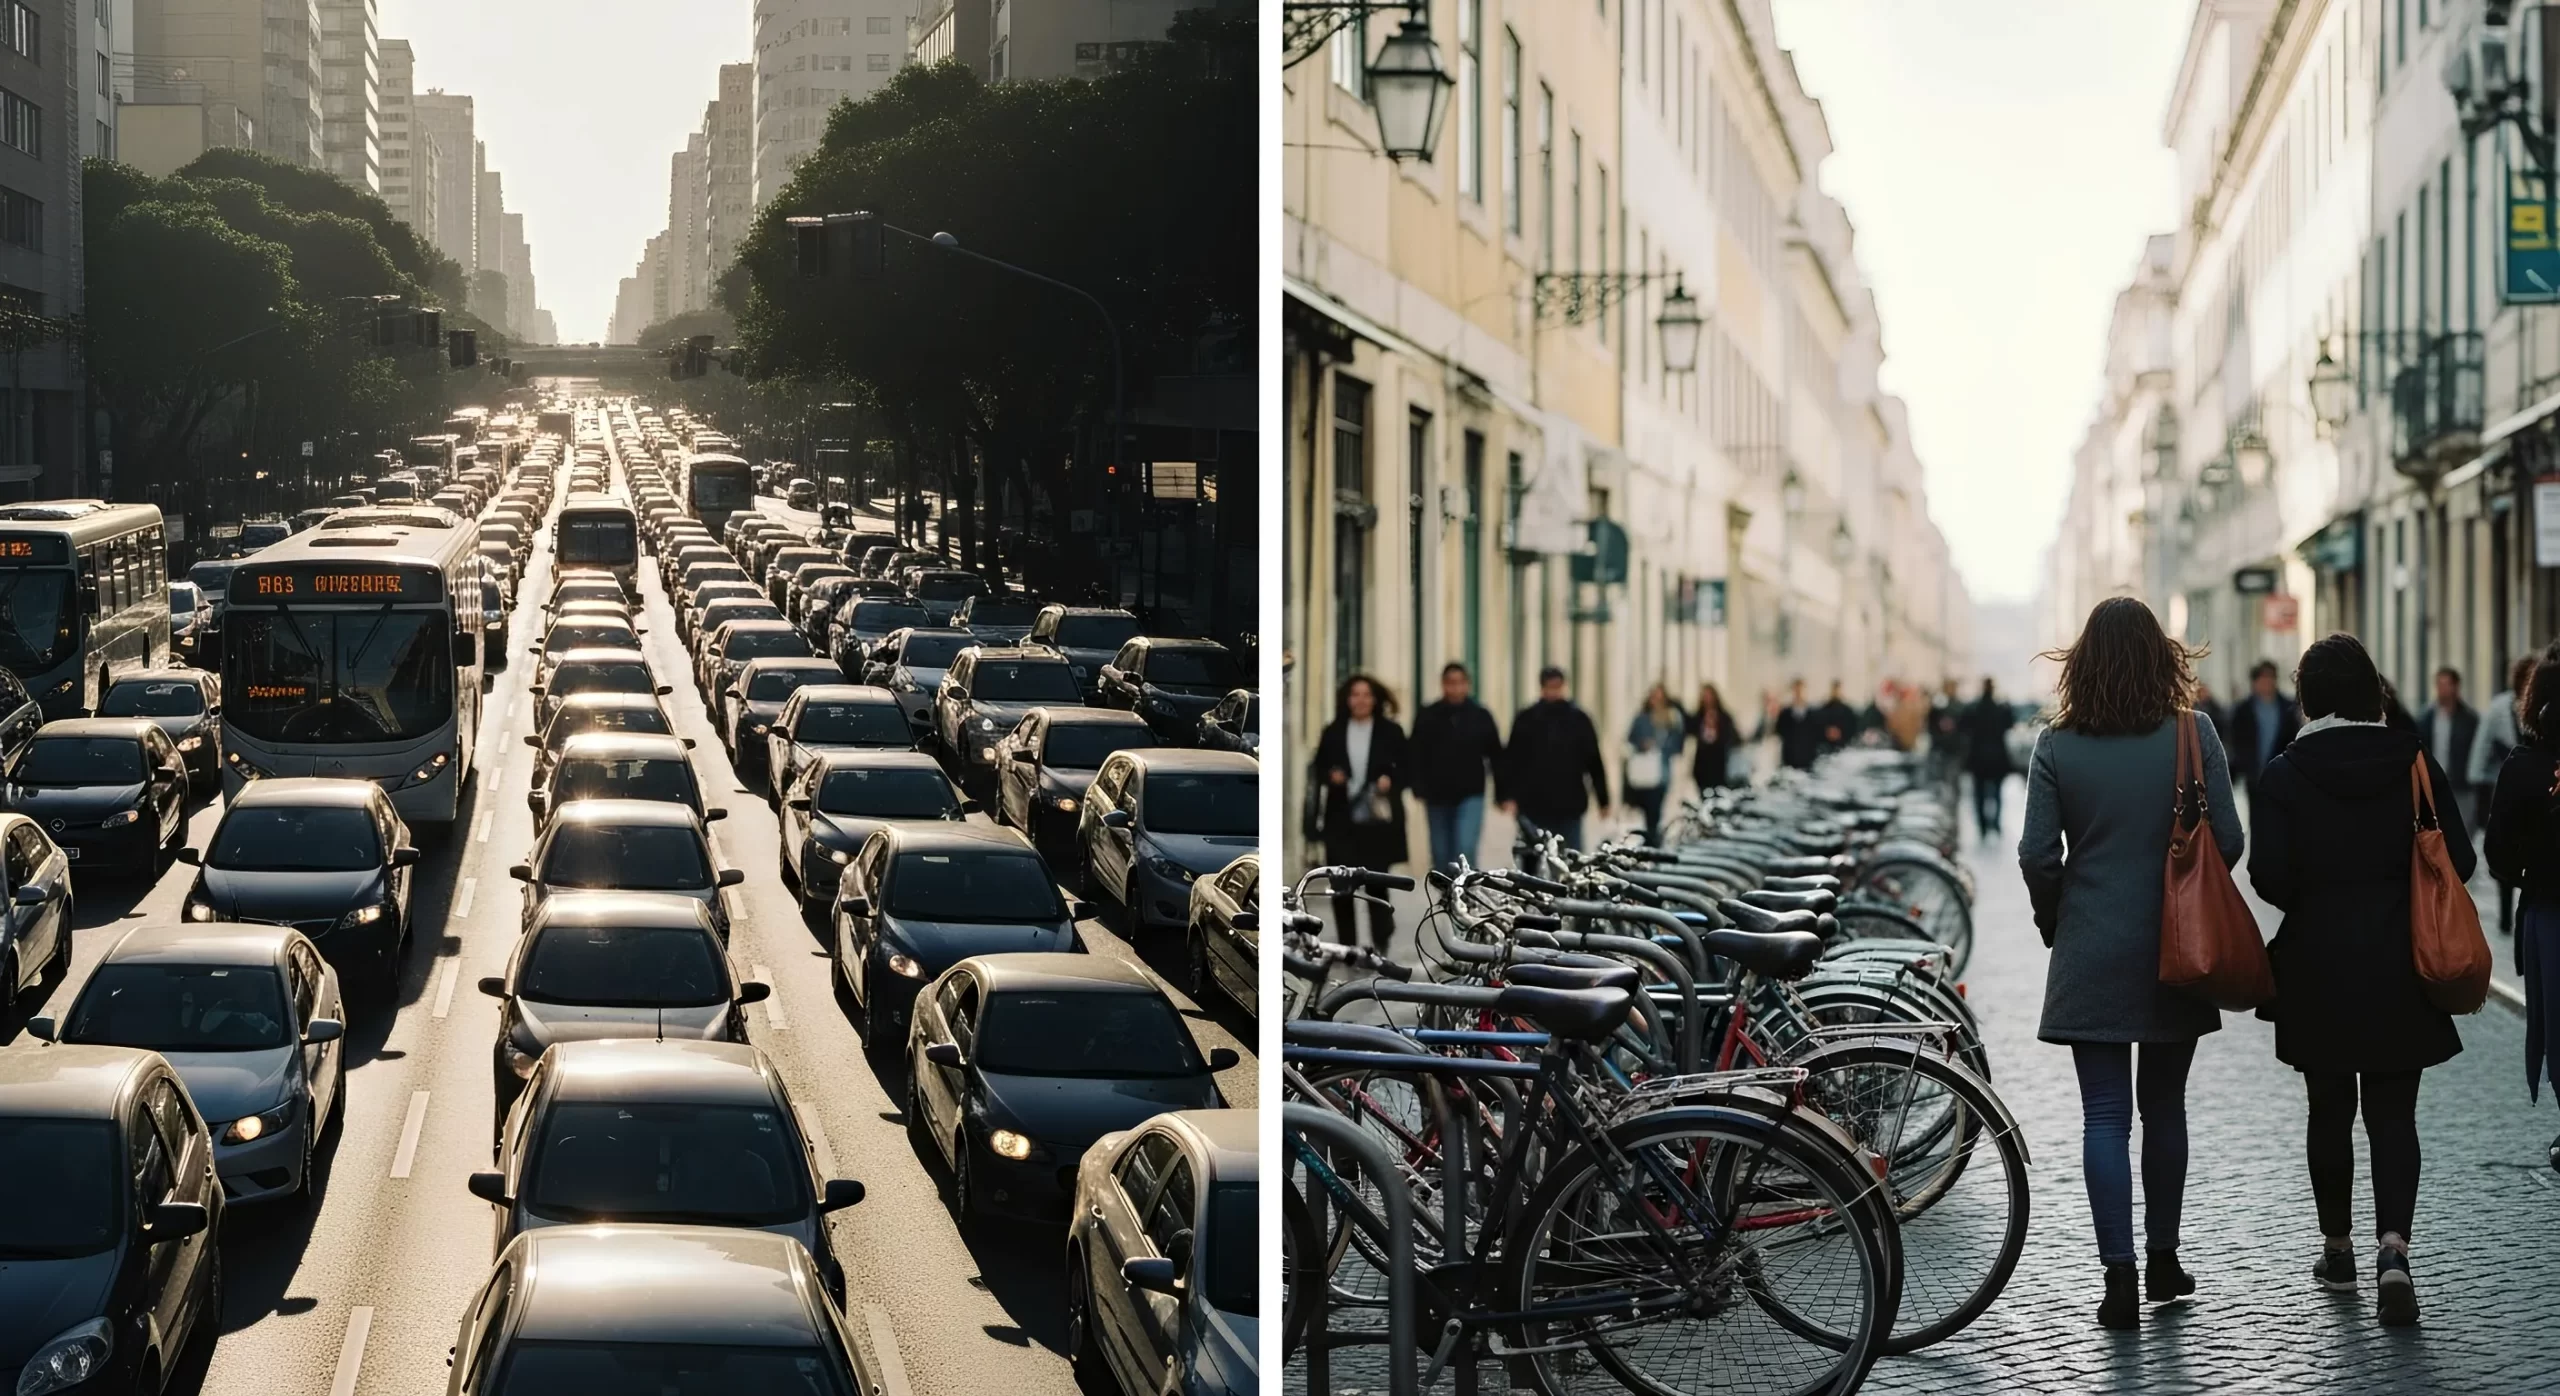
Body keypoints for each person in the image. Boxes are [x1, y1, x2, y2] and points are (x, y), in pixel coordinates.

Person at [2020, 597, 2241, 1330]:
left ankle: (2117, 1277)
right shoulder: (2192, 731)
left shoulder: (2057, 744)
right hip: (2175, 946)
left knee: (2105, 1116)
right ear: (2161, 657)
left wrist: (2059, 917)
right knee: (2165, 1108)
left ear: (2081, 663)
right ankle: (2165, 1260)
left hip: (2091, 944)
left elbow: (2035, 855)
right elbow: (2231, 840)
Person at [2246, 633, 2469, 1328]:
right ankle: (2394, 1251)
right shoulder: (2412, 761)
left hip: (2317, 964)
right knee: (2394, 1116)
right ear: (2373, 691)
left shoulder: (2284, 774)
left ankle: (2337, 1251)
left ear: (2307, 696)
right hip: (2402, 959)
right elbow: (2458, 856)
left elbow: (2268, 877)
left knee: (2328, 1110)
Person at [2482, 642, 2560, 1178]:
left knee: (2556, 1023)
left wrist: (2529, 869)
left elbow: (2497, 855)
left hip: (2549, 909)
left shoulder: (2525, 765)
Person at [1305, 674, 1409, 950]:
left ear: (1375, 699)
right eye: (1355, 695)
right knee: (1342, 887)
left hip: (1377, 824)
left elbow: (1407, 770)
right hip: (1341, 822)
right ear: (1346, 699)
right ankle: (1348, 947)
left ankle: (1381, 942)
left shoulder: (1391, 731)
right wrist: (1332, 776)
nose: (1361, 701)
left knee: (1377, 886)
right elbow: (1318, 770)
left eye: (1366, 695)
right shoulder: (1334, 731)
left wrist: (1390, 780)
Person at [1406, 662, 1505, 873]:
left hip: (1471, 793)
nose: (1455, 688)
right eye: (1451, 683)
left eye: (1460, 683)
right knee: (1441, 855)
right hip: (1436, 795)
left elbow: (1496, 755)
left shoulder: (1480, 716)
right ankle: (1448, 899)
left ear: (1467, 685)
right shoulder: (1428, 715)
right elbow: (1414, 752)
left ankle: (1466, 896)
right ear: (1443, 685)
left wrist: (1503, 793)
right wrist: (1416, 785)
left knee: (1464, 849)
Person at [1499, 666, 1610, 850]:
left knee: (1570, 857)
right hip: (1533, 802)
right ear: (1542, 688)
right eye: (1550, 686)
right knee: (1535, 858)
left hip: (1570, 802)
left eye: (1557, 686)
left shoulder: (1579, 720)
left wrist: (1603, 799)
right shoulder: (1526, 719)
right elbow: (1512, 760)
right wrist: (1507, 795)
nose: (1554, 691)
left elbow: (1593, 760)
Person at [2472, 656, 2536, 936]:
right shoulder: (2500, 707)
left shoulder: (2543, 707)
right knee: (2508, 844)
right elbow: (2483, 744)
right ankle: (2506, 908)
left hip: (2535, 790)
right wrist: (2478, 783)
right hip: (2504, 784)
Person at [2225, 658, 2303, 797]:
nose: (2266, 683)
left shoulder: (2287, 708)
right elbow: (2236, 739)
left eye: (2270, 678)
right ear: (2254, 682)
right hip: (2254, 776)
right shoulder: (2244, 710)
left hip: (2281, 775)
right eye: (2262, 678)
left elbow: (2293, 738)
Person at [2414, 667, 2479, 832]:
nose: (2442, 690)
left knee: (2462, 830)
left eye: (2446, 685)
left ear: (2456, 687)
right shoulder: (2425, 718)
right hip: (2433, 784)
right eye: (2439, 685)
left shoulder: (2470, 720)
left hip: (2461, 785)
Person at [1623, 683, 1685, 845]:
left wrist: (1662, 748)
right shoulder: (1641, 718)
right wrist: (1642, 744)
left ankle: (1653, 836)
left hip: (1661, 770)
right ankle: (1650, 835)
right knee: (1645, 806)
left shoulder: (1672, 717)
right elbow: (1630, 738)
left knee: (1656, 806)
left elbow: (1678, 742)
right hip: (1643, 770)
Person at [1959, 678, 2016, 840]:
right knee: (1997, 793)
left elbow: (1963, 727)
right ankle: (1995, 824)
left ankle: (1983, 826)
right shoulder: (2000, 708)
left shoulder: (1974, 708)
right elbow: (2009, 724)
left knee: (1979, 794)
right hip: (1997, 757)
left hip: (1978, 757)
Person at [1688, 682, 1742, 791]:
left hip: (1720, 765)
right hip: (1702, 766)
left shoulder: (1724, 717)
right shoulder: (1698, 717)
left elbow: (1734, 738)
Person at [1768, 679, 1821, 771]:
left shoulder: (1813, 714)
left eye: (1801, 690)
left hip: (1808, 760)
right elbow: (1778, 732)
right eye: (1796, 690)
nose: (1799, 693)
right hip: (1790, 760)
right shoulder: (1785, 713)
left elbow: (1817, 735)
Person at [1813, 680, 1860, 758]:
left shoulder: (1847, 711)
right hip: (1826, 748)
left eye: (1838, 690)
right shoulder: (1824, 709)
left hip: (1843, 748)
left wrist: (1840, 733)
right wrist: (1827, 732)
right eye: (1834, 689)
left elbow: (1853, 728)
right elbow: (1818, 727)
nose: (1836, 692)